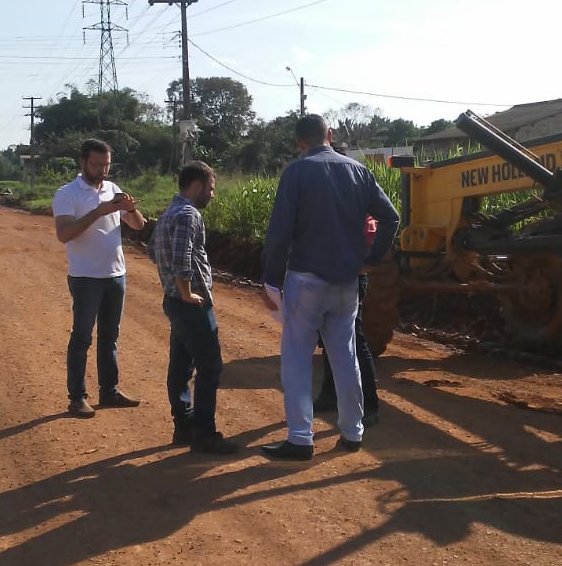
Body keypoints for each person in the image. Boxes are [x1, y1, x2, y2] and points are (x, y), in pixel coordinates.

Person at [260, 115, 399, 460]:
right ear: (330, 135)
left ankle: (300, 438)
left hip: (306, 279)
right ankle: (353, 432)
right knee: (345, 356)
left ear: (299, 143)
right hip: (347, 281)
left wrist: (271, 280)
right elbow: (390, 217)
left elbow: (279, 232)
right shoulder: (358, 171)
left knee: (296, 359)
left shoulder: (296, 173)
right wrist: (371, 259)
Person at [52, 138, 146, 418]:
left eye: (106, 165)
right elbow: (64, 234)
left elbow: (139, 225)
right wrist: (98, 212)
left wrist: (129, 208)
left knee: (109, 338)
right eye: (97, 165)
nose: (103, 170)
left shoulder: (113, 189)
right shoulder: (67, 194)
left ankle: (109, 391)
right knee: (82, 338)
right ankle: (77, 397)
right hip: (85, 277)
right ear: (83, 162)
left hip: (115, 274)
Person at [151, 161, 239, 455]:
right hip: (190, 304)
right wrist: (187, 292)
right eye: (211, 188)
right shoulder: (189, 214)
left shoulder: (169, 212)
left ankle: (184, 425)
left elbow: (153, 251)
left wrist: (175, 287)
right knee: (210, 366)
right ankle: (204, 433)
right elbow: (182, 258)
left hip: (174, 301)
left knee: (181, 364)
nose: (212, 195)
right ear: (198, 186)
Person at [314, 216, 381, 427]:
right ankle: (329, 394)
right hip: (328, 272)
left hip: (352, 274)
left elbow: (375, 228)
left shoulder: (358, 202)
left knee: (355, 339)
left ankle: (370, 405)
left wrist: (366, 262)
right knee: (327, 333)